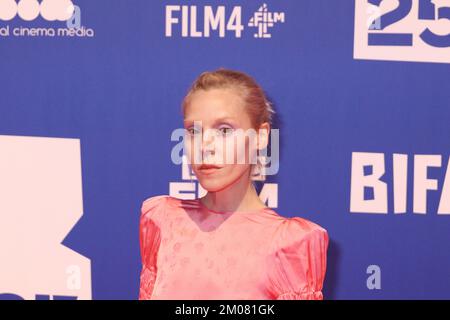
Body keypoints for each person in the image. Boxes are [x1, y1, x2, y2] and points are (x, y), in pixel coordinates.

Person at [139, 68, 329, 299]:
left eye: (224, 130)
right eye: (193, 131)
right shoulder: (163, 220)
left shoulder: (289, 245)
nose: (204, 146)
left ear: (261, 137)